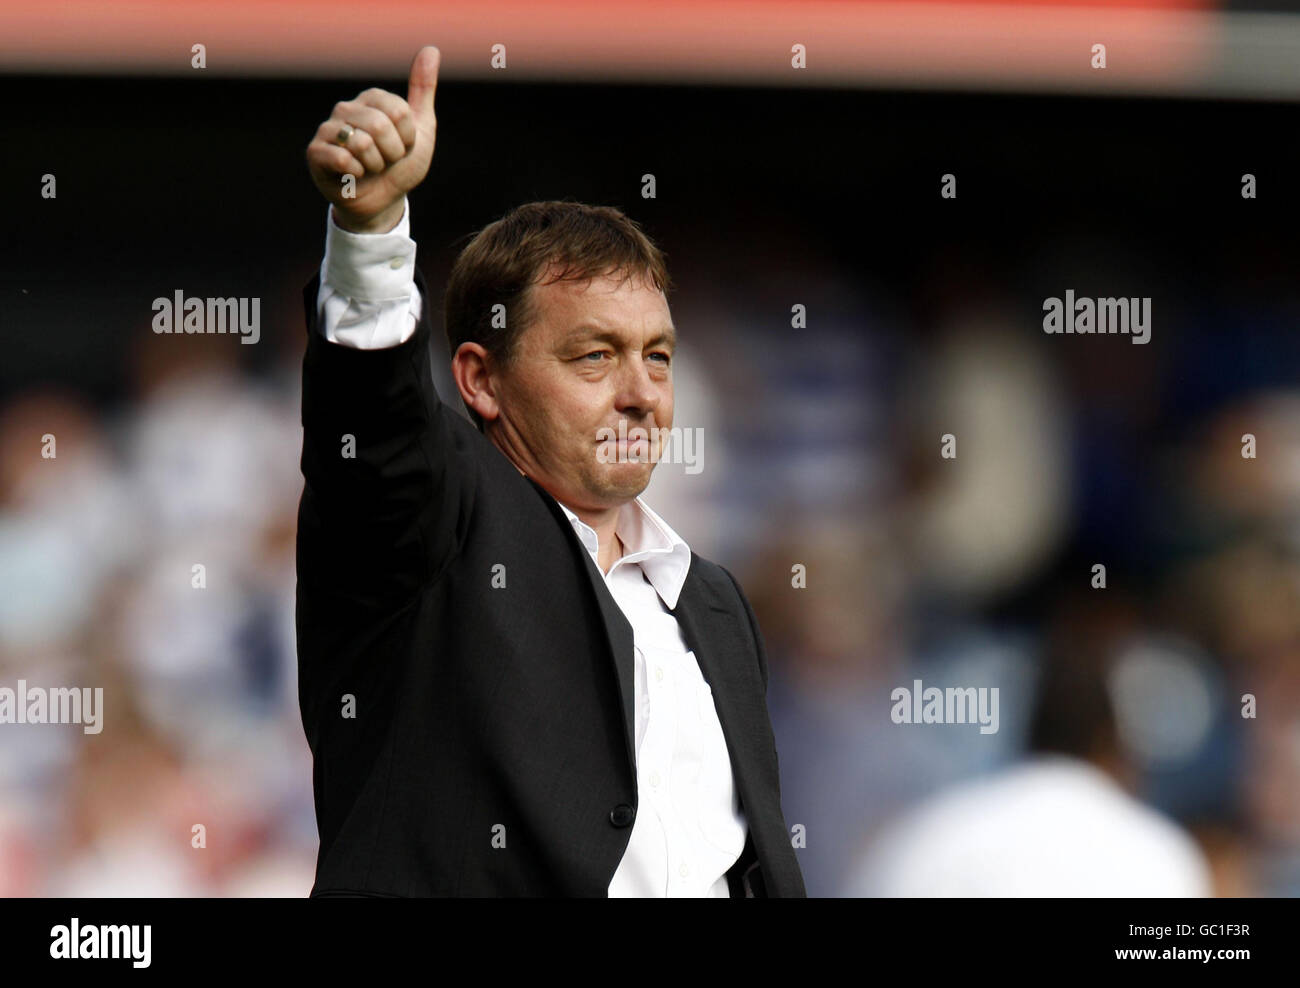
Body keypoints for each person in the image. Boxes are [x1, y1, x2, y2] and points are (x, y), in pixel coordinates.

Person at [297, 45, 805, 897]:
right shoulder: (438, 526)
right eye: (594, 356)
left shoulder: (714, 603)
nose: (643, 394)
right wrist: (371, 230)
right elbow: (375, 429)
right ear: (480, 380)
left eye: (660, 356)